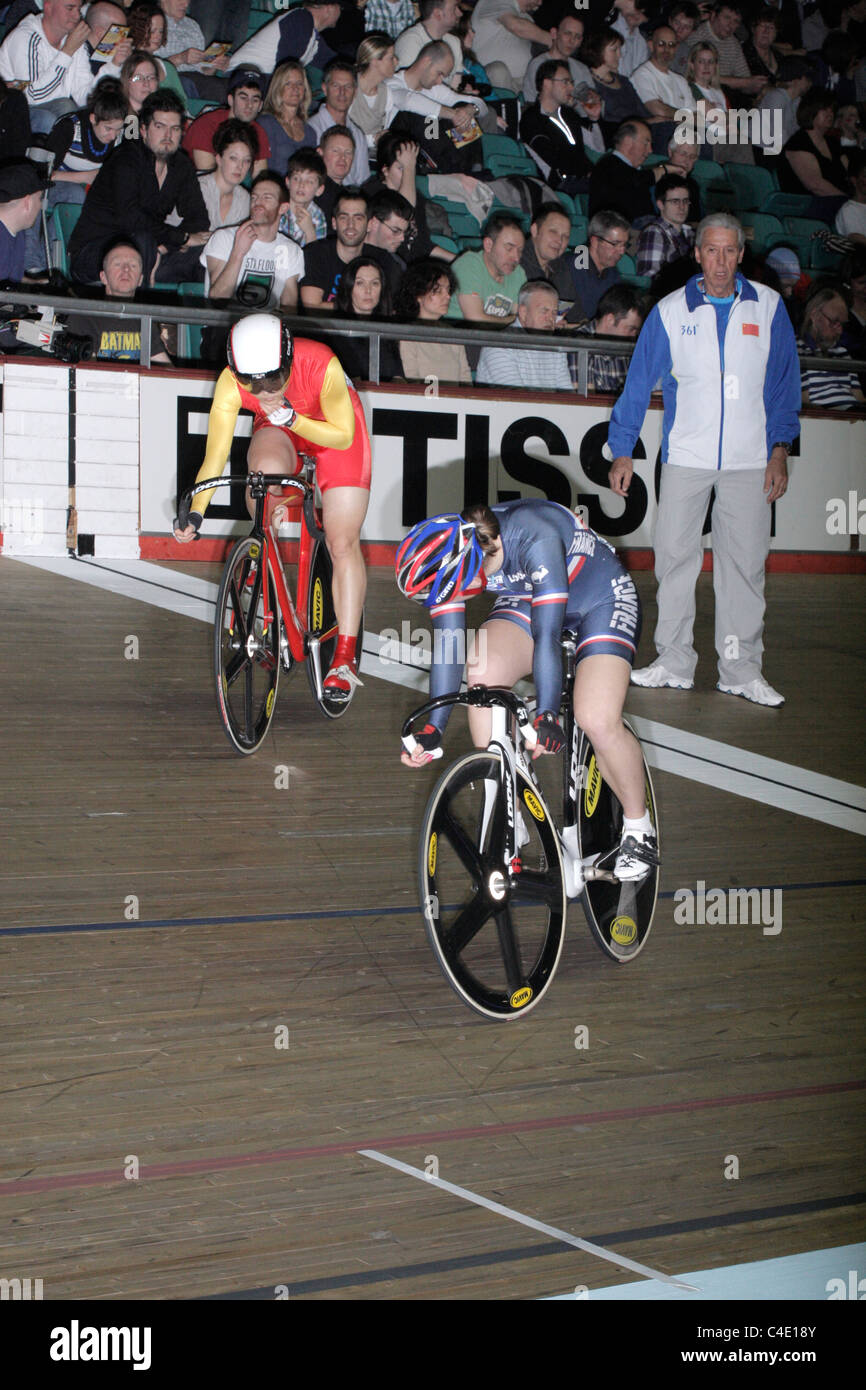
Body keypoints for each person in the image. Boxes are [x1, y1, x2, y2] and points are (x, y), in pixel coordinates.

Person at [395, 500, 656, 882]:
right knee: (482, 675)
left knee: (596, 717)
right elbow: (450, 644)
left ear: (472, 568)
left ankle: (639, 829)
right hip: (529, 596)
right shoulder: (453, 550)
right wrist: (434, 728)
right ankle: (509, 807)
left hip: (600, 597)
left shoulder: (534, 535)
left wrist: (547, 713)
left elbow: (546, 635)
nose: (446, 603)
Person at [607, 213, 800, 707]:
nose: (720, 261)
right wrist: (623, 448)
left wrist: (780, 450)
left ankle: (740, 669)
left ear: (741, 254)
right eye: (710, 250)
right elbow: (637, 383)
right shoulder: (671, 311)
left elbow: (782, 388)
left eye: (729, 251)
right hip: (686, 457)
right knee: (674, 559)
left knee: (744, 566)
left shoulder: (771, 307)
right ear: (697, 254)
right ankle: (673, 661)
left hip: (750, 459)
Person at [174, 313, 371, 702]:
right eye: (251, 382)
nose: (262, 390)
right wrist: (197, 512)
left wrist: (295, 417)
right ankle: (264, 562)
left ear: (288, 360)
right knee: (261, 479)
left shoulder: (320, 362)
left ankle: (344, 658)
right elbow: (214, 458)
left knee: (342, 541)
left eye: (273, 380)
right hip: (281, 428)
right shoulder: (230, 384)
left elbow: (343, 433)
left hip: (333, 433)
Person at [68, 89, 209, 284]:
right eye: (160, 126)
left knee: (211, 253)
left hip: (151, 250)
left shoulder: (181, 165)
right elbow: (131, 220)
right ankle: (137, 313)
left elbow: (199, 218)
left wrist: (166, 245)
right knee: (141, 242)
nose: (168, 135)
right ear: (143, 129)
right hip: (94, 252)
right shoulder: (126, 159)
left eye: (175, 128)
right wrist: (180, 238)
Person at [201, 170, 304, 309]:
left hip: (268, 326)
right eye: (254, 197)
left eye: (267, 198)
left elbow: (289, 306)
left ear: (283, 208)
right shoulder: (224, 238)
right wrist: (238, 254)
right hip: (226, 324)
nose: (258, 203)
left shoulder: (290, 250)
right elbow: (218, 299)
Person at [63, 236, 172, 363]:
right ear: (103, 277)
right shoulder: (83, 317)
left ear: (140, 280)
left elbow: (165, 370)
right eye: (118, 264)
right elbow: (88, 375)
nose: (126, 269)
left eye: (133, 265)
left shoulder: (145, 321)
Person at [0, 0, 92, 134]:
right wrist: (67, 52)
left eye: (79, 9)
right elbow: (32, 96)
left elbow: (82, 92)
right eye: (70, 8)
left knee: (89, 115)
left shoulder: (72, 39)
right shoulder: (25, 36)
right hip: (13, 110)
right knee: (59, 113)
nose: (76, 16)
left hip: (53, 107)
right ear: (48, 7)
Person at [476, 278, 572, 388]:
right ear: (523, 312)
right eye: (544, 311)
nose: (550, 318)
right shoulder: (499, 345)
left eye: (554, 312)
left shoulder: (556, 347)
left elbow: (567, 396)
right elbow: (516, 400)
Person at [519, 60, 593, 194]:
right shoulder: (532, 118)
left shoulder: (570, 115)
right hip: (558, 184)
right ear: (547, 83)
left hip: (581, 178)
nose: (571, 88)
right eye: (565, 82)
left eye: (571, 82)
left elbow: (595, 147)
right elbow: (552, 158)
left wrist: (594, 119)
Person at [395, 259, 472, 383]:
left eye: (448, 290)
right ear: (419, 295)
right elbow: (412, 381)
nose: (447, 296)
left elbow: (465, 377)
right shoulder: (407, 334)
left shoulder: (453, 333)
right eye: (438, 291)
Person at [182, 68, 269, 176]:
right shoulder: (206, 125)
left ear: (260, 105)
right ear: (231, 100)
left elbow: (260, 179)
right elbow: (207, 178)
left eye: (255, 100)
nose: (249, 105)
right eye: (243, 98)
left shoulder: (258, 132)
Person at [781, 89, 850, 221]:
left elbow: (849, 174)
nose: (830, 114)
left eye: (832, 110)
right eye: (825, 109)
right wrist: (850, 204)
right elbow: (815, 185)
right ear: (811, 111)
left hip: (839, 205)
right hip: (808, 208)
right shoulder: (798, 143)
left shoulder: (833, 143)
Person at [330, 255, 402, 380]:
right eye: (360, 283)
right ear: (348, 287)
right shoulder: (335, 331)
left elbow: (399, 378)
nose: (368, 290)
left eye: (374, 283)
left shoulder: (389, 330)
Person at [448, 211, 526, 323]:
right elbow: (475, 319)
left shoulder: (518, 273)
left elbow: (522, 314)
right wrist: (513, 320)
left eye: (520, 251)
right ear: (488, 245)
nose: (516, 258)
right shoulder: (469, 264)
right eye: (509, 248)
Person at [568, 282, 645, 393]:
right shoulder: (577, 343)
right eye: (631, 329)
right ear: (610, 320)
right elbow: (585, 403)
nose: (634, 335)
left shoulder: (627, 347)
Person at [229, 0, 339, 76]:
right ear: (329, 8)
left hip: (253, 84)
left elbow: (335, 64)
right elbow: (286, 72)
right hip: (241, 81)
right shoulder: (301, 21)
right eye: (340, 7)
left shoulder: (312, 34)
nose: (341, 12)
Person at [797, 287, 865, 408]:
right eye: (834, 322)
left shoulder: (842, 352)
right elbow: (803, 403)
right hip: (822, 419)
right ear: (814, 315)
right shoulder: (796, 349)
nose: (840, 330)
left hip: (851, 417)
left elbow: (859, 398)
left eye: (842, 324)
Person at [308, 58, 371, 188]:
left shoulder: (358, 134)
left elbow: (363, 180)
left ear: (355, 92)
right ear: (325, 89)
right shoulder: (311, 129)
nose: (342, 93)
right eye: (336, 86)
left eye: (348, 87)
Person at [471, 0, 553, 95]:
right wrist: (553, 41)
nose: (540, 3)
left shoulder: (527, 18)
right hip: (490, 79)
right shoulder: (493, 2)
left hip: (522, 82)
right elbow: (515, 26)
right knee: (498, 71)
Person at [588, 119, 659, 222]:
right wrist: (663, 171)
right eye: (646, 143)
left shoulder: (632, 171)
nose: (650, 150)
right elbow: (635, 180)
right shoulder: (608, 166)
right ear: (628, 142)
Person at [257, 60, 315, 174]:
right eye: (288, 83)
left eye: (299, 83)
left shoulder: (310, 132)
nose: (295, 88)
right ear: (278, 87)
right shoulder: (266, 124)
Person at [523, 10, 592, 104]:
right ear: (554, 34)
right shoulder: (539, 65)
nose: (572, 41)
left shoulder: (582, 69)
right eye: (567, 33)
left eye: (577, 36)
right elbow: (539, 105)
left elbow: (591, 104)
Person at [572, 209, 630, 318]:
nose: (622, 251)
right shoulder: (570, 268)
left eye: (624, 245)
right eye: (615, 244)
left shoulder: (613, 274)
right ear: (595, 241)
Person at [197, 120, 255, 230]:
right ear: (219, 158)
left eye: (246, 160)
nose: (240, 166)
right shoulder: (198, 189)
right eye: (233, 158)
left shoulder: (244, 199)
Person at [636, 173, 696, 277]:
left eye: (685, 201)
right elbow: (649, 278)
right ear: (660, 204)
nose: (682, 207)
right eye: (675, 201)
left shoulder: (689, 233)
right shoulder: (654, 232)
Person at [350, 31, 399, 153]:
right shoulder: (349, 87)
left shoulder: (386, 92)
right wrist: (372, 139)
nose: (396, 62)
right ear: (375, 61)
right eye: (391, 58)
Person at [520, 202, 578, 307]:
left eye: (565, 236)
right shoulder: (515, 262)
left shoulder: (563, 268)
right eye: (553, 232)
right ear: (534, 230)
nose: (559, 241)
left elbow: (573, 313)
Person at [0, 159, 46, 282]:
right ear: (27, 203)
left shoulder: (17, 232)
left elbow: (11, 278)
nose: (41, 206)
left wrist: (36, 283)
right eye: (39, 199)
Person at [282, 149, 328, 246]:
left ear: (319, 190)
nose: (301, 185)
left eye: (309, 181)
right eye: (296, 178)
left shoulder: (318, 216)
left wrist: (309, 231)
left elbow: (316, 257)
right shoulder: (278, 209)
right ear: (287, 182)